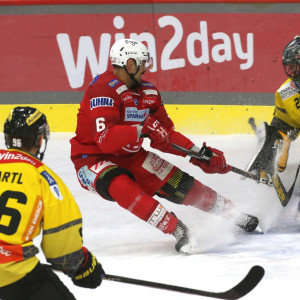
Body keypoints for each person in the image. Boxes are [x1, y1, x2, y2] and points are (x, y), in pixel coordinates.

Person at [70, 38, 260, 254]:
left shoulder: (148, 92)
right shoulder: (103, 89)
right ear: (129, 64)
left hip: (132, 156)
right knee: (120, 185)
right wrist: (143, 128)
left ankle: (233, 213)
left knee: (182, 185)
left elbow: (165, 133)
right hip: (93, 160)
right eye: (142, 62)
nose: (146, 68)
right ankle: (176, 228)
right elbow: (106, 138)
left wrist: (198, 153)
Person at [0, 106, 105, 300]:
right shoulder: (44, 178)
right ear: (40, 140)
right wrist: (81, 265)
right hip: (12, 275)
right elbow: (61, 247)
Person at [246, 36, 300, 183]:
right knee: (276, 134)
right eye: (289, 67)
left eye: (294, 66)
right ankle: (265, 165)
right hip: (293, 121)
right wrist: (273, 143)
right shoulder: (285, 92)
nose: (291, 72)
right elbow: (281, 122)